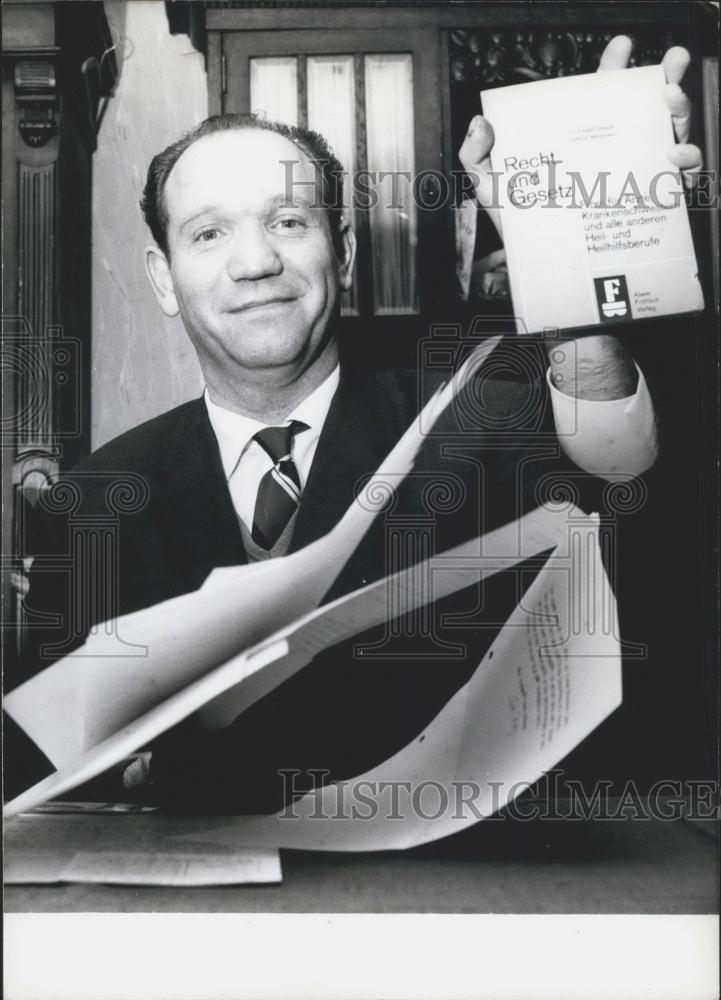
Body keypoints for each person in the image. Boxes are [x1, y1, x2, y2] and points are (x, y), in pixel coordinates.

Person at [12, 37, 702, 810]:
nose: (254, 263)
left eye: (287, 222)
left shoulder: (481, 419)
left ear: (340, 254)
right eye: (208, 233)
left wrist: (574, 257)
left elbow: (615, 468)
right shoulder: (93, 500)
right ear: (164, 279)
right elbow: (45, 776)